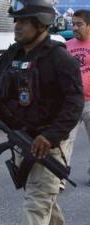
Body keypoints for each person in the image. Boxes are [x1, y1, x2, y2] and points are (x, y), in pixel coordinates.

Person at [0, 0, 83, 224]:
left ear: (41, 24)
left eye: (24, 21)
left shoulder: (60, 59)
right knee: (42, 199)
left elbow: (74, 103)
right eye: (16, 20)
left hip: (47, 146)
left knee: (36, 205)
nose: (17, 26)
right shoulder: (14, 55)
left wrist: (50, 136)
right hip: (21, 140)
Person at [64, 9, 90, 187]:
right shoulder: (67, 46)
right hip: (71, 103)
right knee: (64, 142)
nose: (74, 27)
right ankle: (59, 178)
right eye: (72, 24)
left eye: (79, 24)